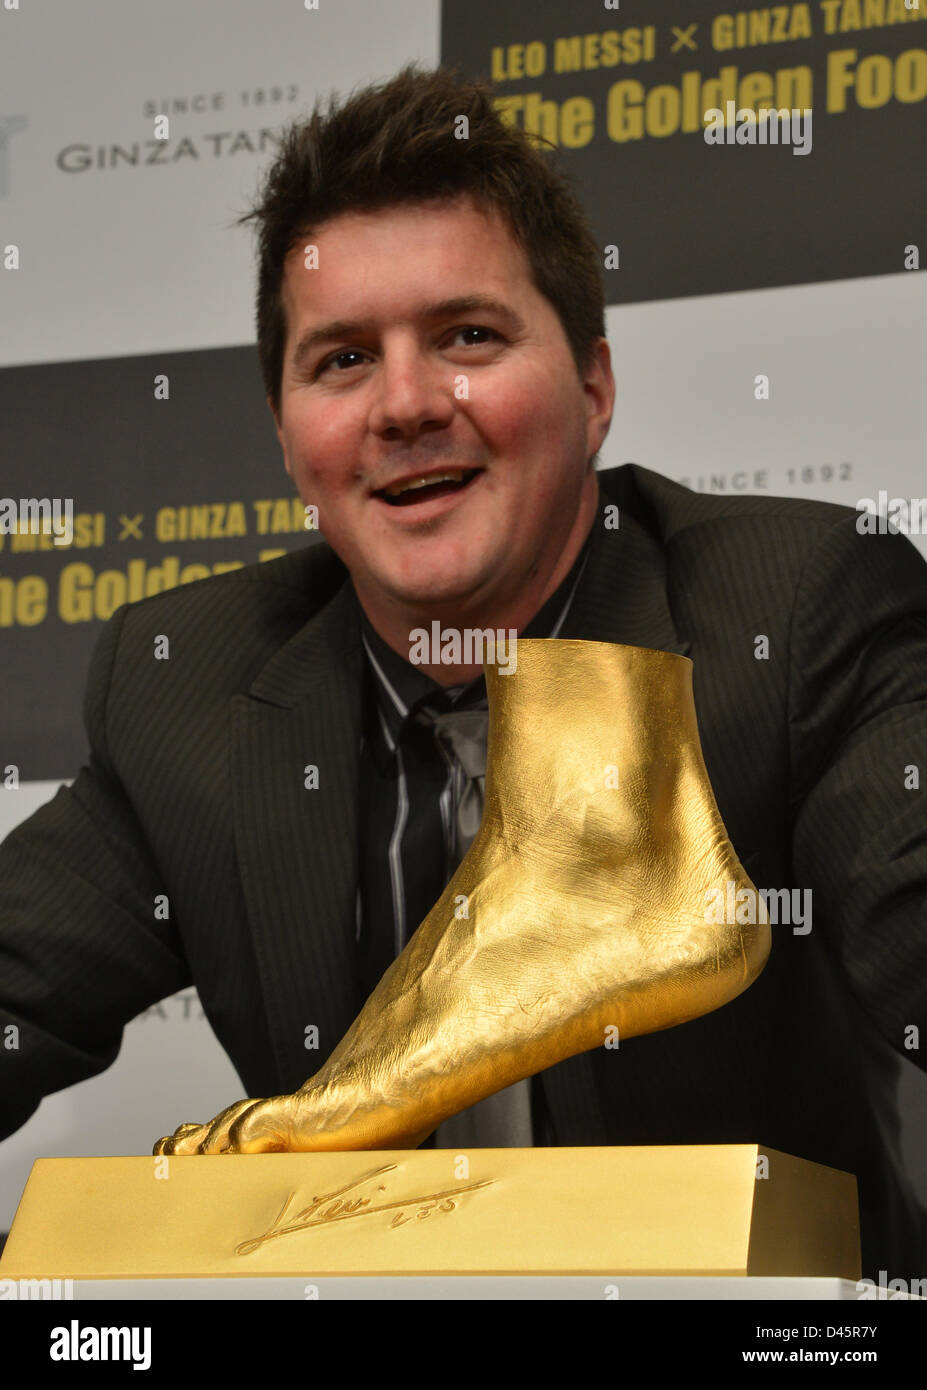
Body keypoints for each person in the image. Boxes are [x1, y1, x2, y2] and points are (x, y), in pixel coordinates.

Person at [1, 63, 925, 1278]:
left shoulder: (792, 610)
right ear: (288, 442)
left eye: (468, 336)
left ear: (593, 388)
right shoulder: (189, 687)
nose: (404, 405)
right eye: (340, 361)